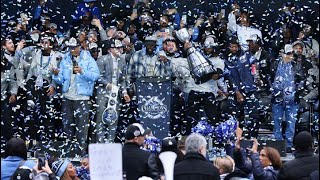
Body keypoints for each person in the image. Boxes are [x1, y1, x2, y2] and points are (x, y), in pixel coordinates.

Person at [52, 37, 100, 152]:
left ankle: (81, 153)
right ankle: (68, 152)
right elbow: (61, 79)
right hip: (68, 97)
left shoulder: (88, 59)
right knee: (67, 126)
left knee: (81, 128)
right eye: (70, 48)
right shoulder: (65, 59)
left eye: (74, 48)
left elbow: (96, 76)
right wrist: (56, 74)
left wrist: (82, 71)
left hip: (82, 98)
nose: (72, 50)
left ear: (79, 47)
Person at [271, 44, 309, 152]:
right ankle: (278, 144)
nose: (290, 55)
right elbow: (269, 77)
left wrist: (296, 90)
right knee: (277, 122)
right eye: (288, 53)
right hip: (277, 98)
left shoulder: (297, 65)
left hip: (292, 100)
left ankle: (288, 144)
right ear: (282, 54)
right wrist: (272, 89)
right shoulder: (275, 64)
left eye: (292, 53)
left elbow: (302, 79)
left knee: (291, 123)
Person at [95, 38, 130, 143]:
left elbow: (123, 79)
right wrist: (107, 85)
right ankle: (100, 144)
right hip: (103, 93)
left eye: (120, 48)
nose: (120, 50)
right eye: (117, 48)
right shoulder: (102, 59)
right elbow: (98, 77)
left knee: (113, 119)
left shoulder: (122, 61)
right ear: (111, 49)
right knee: (101, 119)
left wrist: (124, 92)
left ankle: (110, 143)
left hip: (116, 94)